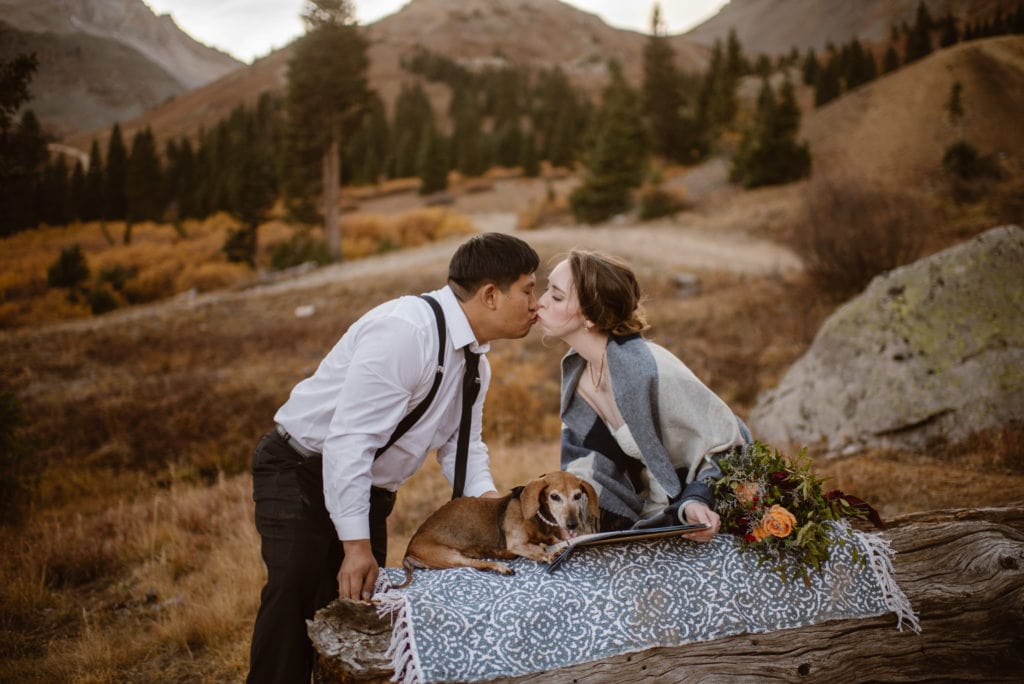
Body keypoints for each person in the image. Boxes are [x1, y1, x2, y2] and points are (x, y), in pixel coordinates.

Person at [247, 232, 540, 683]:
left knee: (358, 613)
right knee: (294, 596)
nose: (535, 304)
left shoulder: (477, 365)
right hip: (301, 471)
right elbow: (350, 441)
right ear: (490, 295)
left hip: (368, 490)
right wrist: (356, 547)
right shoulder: (407, 332)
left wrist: (496, 515)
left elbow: (464, 447)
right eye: (528, 289)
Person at [536, 249, 751, 540]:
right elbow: (588, 463)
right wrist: (576, 517)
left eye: (557, 296)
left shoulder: (649, 370)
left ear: (588, 316)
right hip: (648, 518)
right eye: (546, 289)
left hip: (706, 511)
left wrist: (698, 499)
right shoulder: (579, 373)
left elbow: (728, 444)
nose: (540, 302)